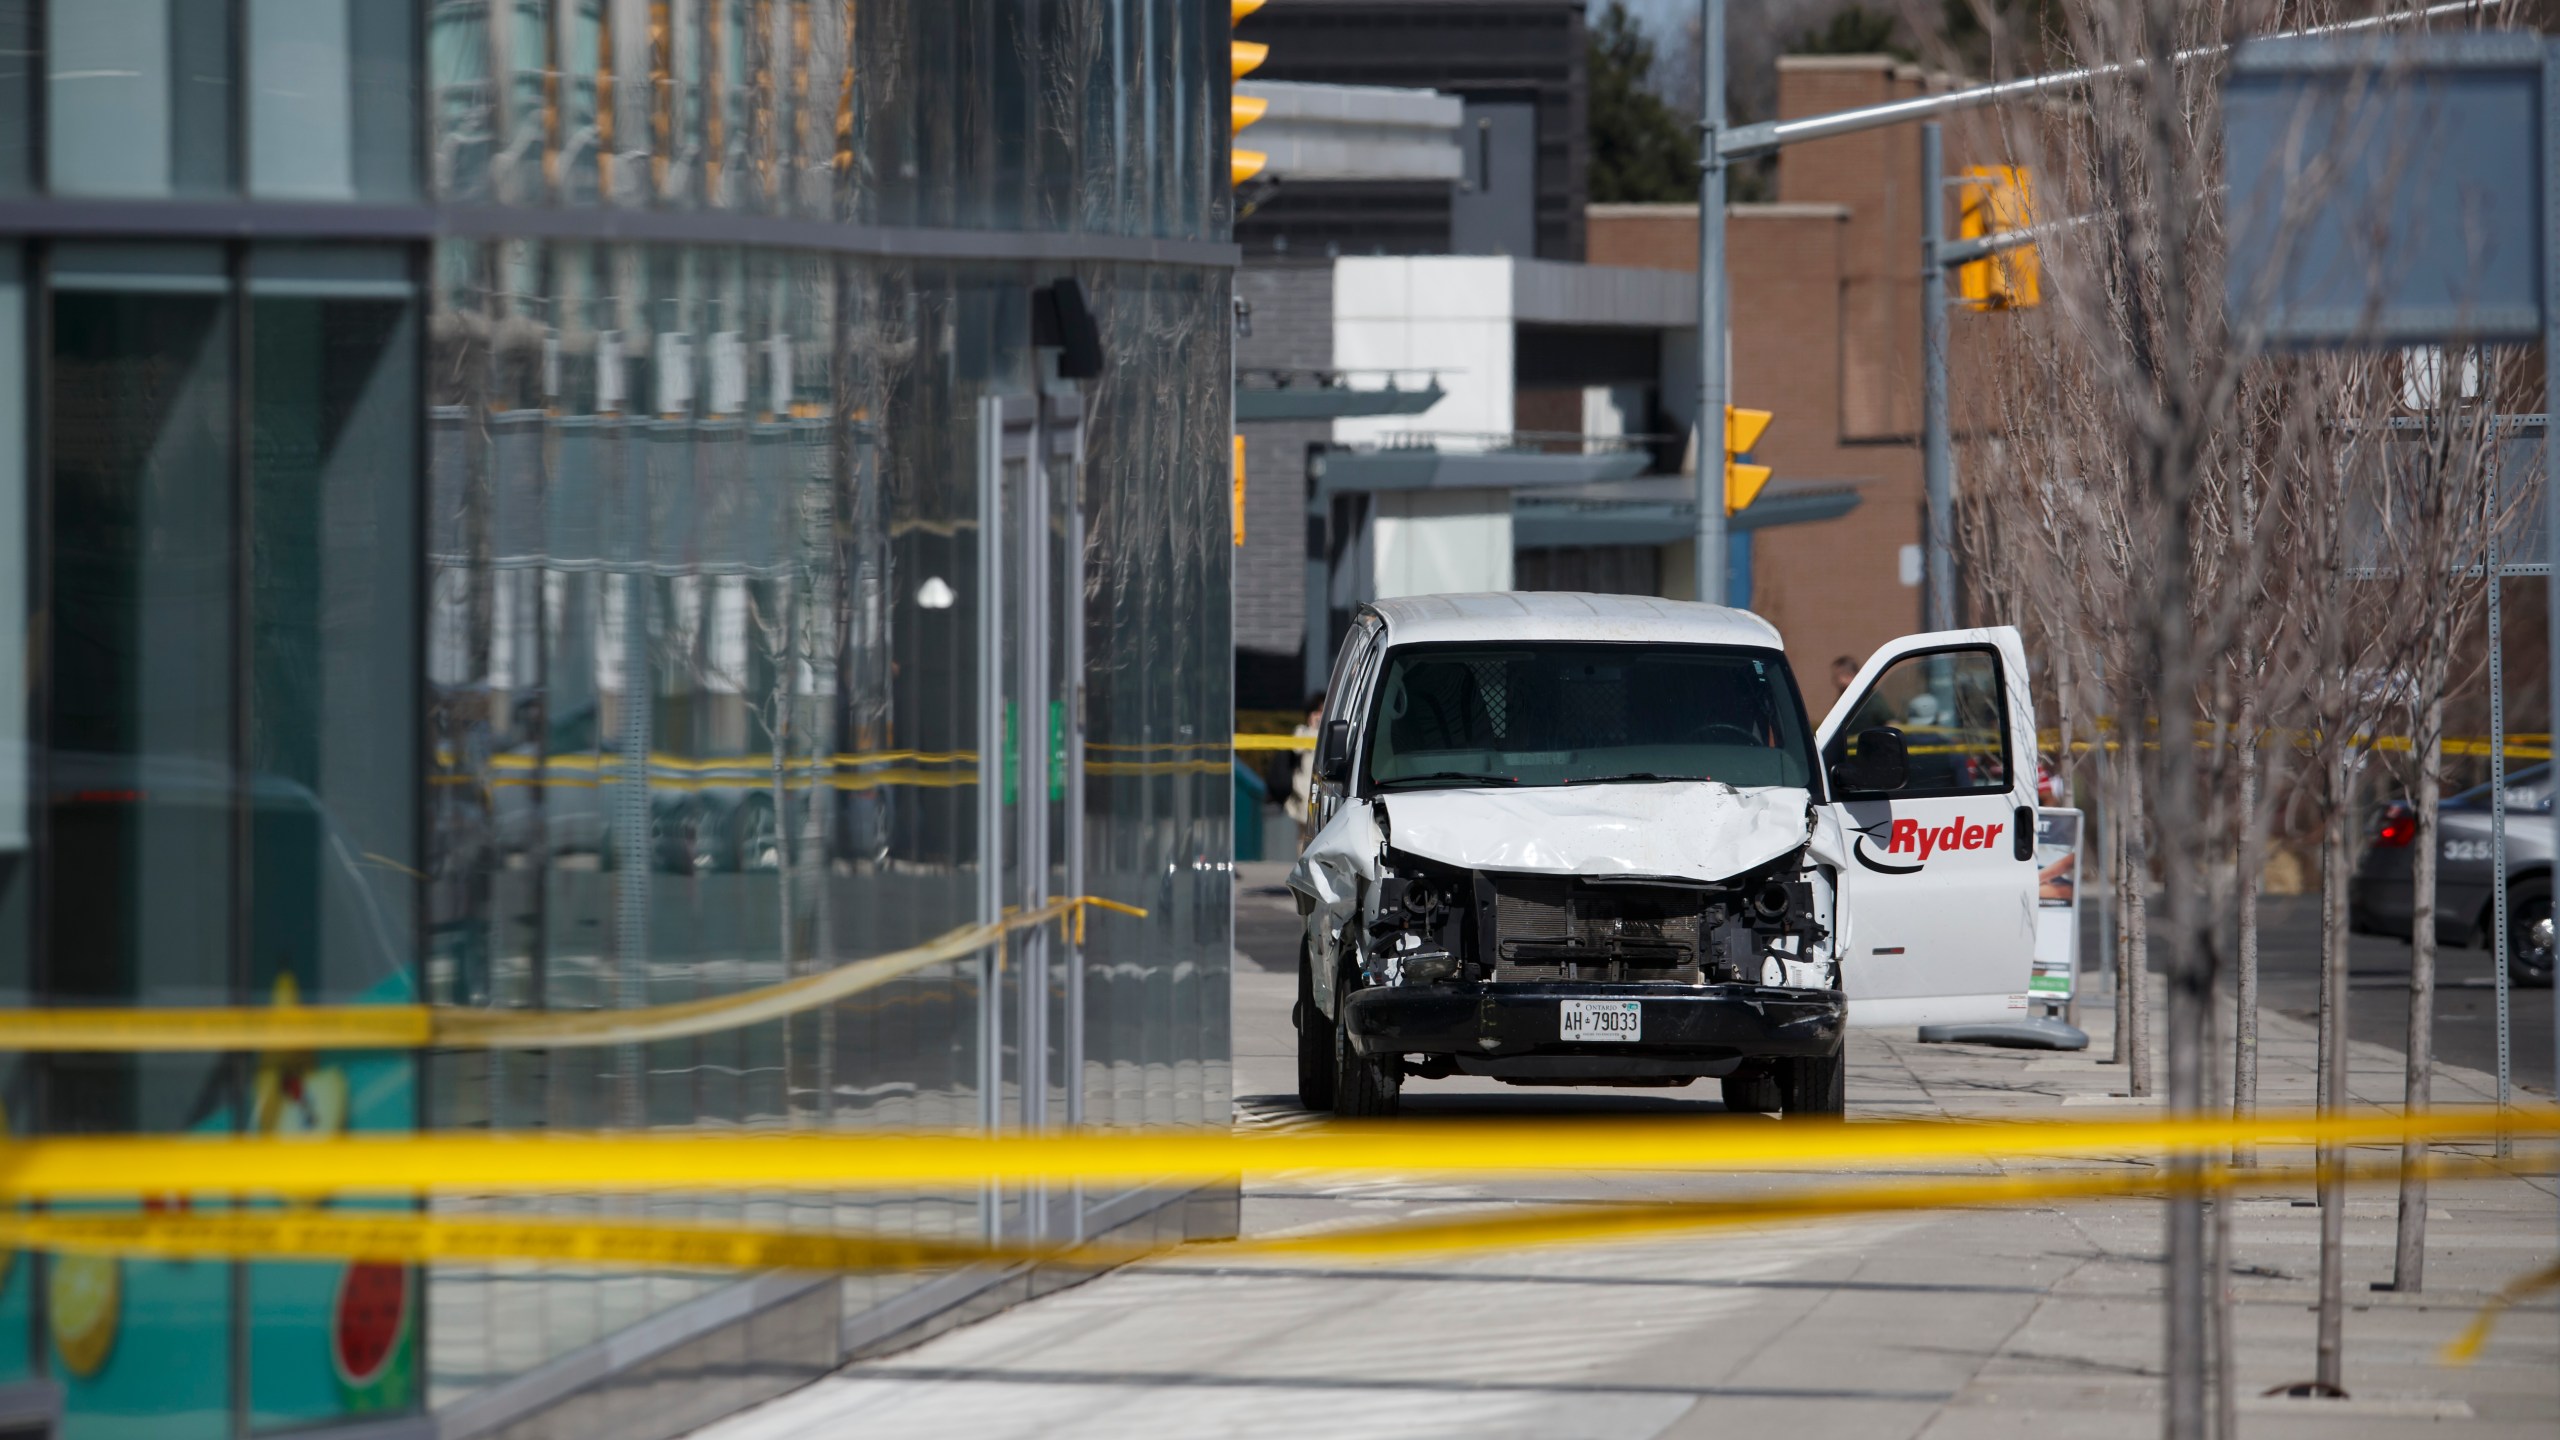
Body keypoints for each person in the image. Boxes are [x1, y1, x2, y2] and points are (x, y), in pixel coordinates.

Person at [1285, 691, 1324, 827]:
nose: (1319, 716)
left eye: (1323, 712)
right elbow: (1297, 748)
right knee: (1303, 833)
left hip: (1322, 790)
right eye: (1317, 712)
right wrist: (1313, 729)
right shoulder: (1301, 730)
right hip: (1302, 790)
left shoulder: (1328, 732)